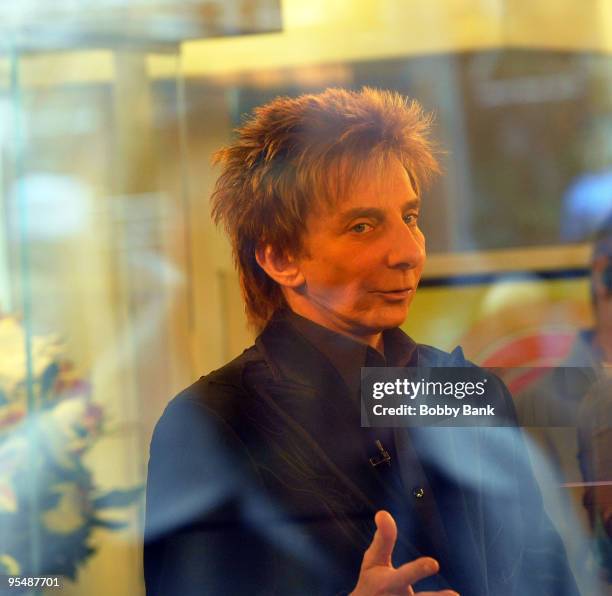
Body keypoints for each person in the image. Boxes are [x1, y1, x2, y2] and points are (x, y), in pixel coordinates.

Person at [143, 87, 578, 595]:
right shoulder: (213, 423)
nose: (407, 252)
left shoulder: (465, 390)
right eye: (363, 226)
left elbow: (549, 577)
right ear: (281, 258)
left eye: (410, 218)